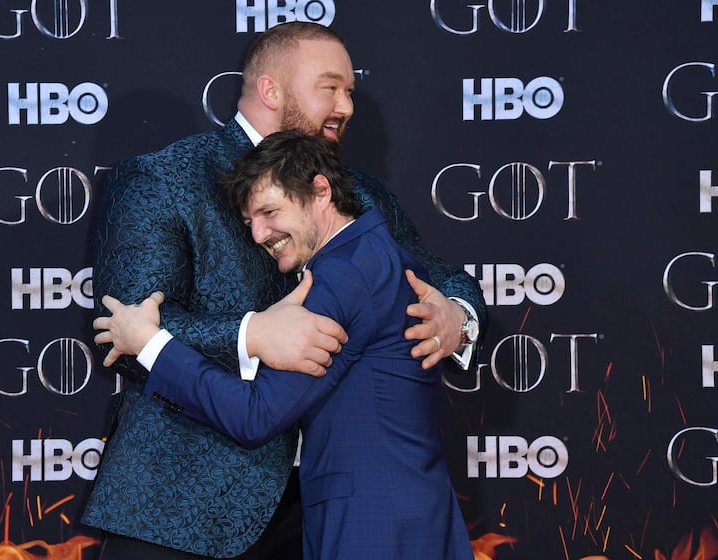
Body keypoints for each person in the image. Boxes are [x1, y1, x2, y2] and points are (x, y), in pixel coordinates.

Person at [82, 21, 486, 560]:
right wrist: (252, 335)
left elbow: (438, 274)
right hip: (182, 507)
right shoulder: (161, 178)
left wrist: (457, 315)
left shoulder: (360, 193)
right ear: (271, 89)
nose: (346, 105)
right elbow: (129, 324)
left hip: (325, 507)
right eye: (330, 87)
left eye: (350, 91)